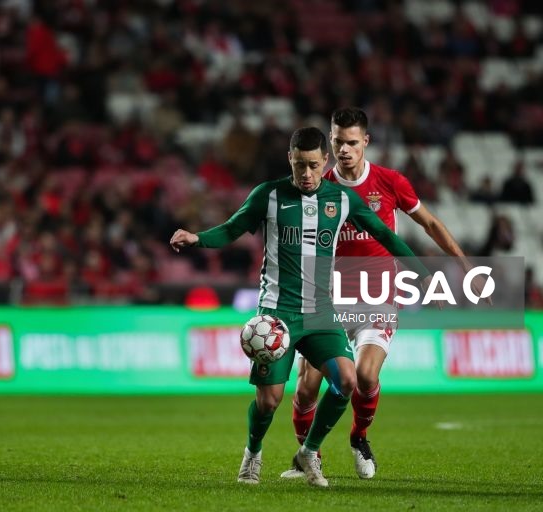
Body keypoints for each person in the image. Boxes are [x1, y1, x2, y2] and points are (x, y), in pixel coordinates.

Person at [170, 127, 430, 488]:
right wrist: (198, 238)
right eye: (299, 166)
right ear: (289, 161)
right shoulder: (269, 195)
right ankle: (253, 454)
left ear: (325, 161)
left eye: (312, 166)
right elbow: (232, 229)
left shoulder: (341, 200)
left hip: (321, 312)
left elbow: (385, 235)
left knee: (348, 381)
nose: (306, 175)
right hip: (278, 314)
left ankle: (310, 452)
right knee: (269, 401)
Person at [282, 107, 483, 481]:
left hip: (377, 297)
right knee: (307, 386)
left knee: (365, 376)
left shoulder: (390, 182)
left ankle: (359, 438)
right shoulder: (317, 187)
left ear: (366, 143)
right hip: (328, 300)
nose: (344, 149)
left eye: (352, 143)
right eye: (338, 142)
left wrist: (465, 265)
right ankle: (311, 457)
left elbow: (430, 223)